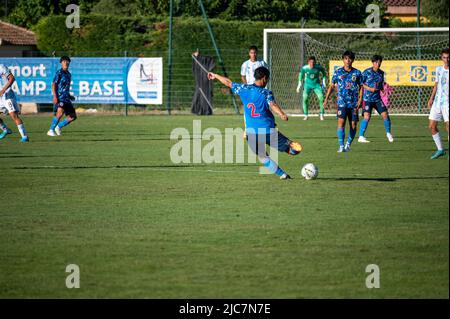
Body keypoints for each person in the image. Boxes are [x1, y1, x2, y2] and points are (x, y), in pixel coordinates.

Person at [208, 66, 303, 180]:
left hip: (251, 134)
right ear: (264, 78)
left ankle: (283, 175)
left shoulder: (243, 88)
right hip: (268, 131)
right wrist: (281, 114)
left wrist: (215, 75)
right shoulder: (266, 93)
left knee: (263, 157)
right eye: (267, 79)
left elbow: (228, 82)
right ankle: (303, 170)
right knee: (295, 150)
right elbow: (272, 104)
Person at [323, 50, 363, 153]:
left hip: (353, 104)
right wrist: (326, 98)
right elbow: (332, 86)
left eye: (350, 58)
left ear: (352, 60)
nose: (348, 60)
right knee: (341, 123)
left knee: (353, 125)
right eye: (346, 58)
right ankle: (341, 146)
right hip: (342, 103)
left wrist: (360, 99)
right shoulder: (338, 72)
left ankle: (348, 144)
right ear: (343, 60)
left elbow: (361, 87)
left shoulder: (357, 73)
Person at [358, 55, 394, 143]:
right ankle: (361, 136)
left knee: (385, 114)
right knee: (367, 117)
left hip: (377, 99)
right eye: (376, 62)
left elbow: (380, 84)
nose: (378, 64)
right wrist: (369, 89)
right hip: (367, 99)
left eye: (379, 62)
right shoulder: (366, 72)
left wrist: (383, 90)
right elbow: (361, 84)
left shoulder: (381, 73)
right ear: (373, 63)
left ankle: (388, 133)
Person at [427, 48, 449, 159]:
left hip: (447, 103)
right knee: (431, 126)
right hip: (437, 102)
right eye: (444, 57)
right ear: (441, 58)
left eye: (448, 57)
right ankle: (440, 149)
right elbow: (436, 84)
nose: (446, 60)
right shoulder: (438, 69)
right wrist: (431, 98)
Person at [47, 56, 77, 137]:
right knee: (60, 112)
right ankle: (51, 130)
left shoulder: (69, 74)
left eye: (67, 62)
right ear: (61, 63)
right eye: (64, 61)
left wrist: (69, 96)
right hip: (60, 97)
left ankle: (58, 127)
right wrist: (55, 96)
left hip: (66, 98)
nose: (66, 63)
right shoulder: (59, 73)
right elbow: (54, 84)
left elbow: (65, 87)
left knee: (72, 117)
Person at [0, 64, 29, 142]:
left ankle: (24, 137)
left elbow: (12, 78)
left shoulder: (1, 67)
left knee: (14, 115)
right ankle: (6, 130)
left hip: (7, 95)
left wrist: (3, 90)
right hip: (0, 98)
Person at [296, 56, 327, 121]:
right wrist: (299, 86)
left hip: (316, 85)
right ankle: (306, 115)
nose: (312, 64)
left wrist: (324, 83)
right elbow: (300, 76)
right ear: (308, 62)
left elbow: (324, 73)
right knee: (305, 98)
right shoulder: (304, 68)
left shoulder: (318, 67)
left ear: (315, 62)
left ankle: (321, 115)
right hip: (307, 85)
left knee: (321, 97)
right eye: (310, 62)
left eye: (313, 62)